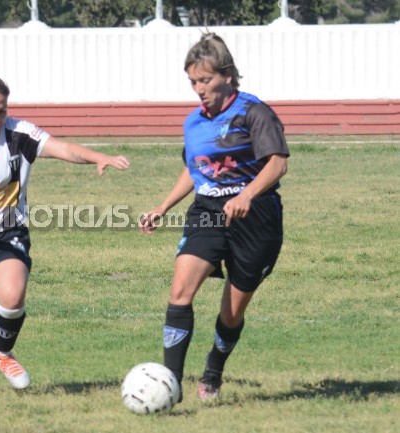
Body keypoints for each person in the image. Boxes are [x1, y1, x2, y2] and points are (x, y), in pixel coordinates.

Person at [0, 55, 130, 400]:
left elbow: (62, 148)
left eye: (1, 111)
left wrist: (98, 157)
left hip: (5, 235)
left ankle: (3, 354)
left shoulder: (20, 133)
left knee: (12, 295)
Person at [139, 32, 289, 404]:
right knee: (180, 290)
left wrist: (247, 194)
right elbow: (195, 170)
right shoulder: (194, 123)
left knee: (232, 312)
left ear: (226, 75)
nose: (198, 89)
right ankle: (169, 386)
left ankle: (214, 369)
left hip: (257, 218)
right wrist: (162, 207)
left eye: (204, 80)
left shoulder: (254, 112)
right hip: (207, 212)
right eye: (192, 82)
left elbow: (278, 163)